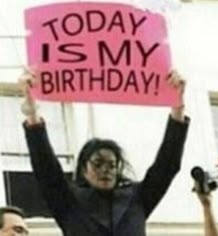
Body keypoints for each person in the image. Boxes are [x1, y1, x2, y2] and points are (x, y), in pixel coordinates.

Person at [19, 69, 190, 236]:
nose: (105, 170)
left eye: (112, 165)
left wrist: (177, 107)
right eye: (97, 164)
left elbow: (167, 164)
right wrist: (32, 114)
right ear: (84, 170)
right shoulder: (68, 202)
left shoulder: (137, 199)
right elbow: (45, 168)